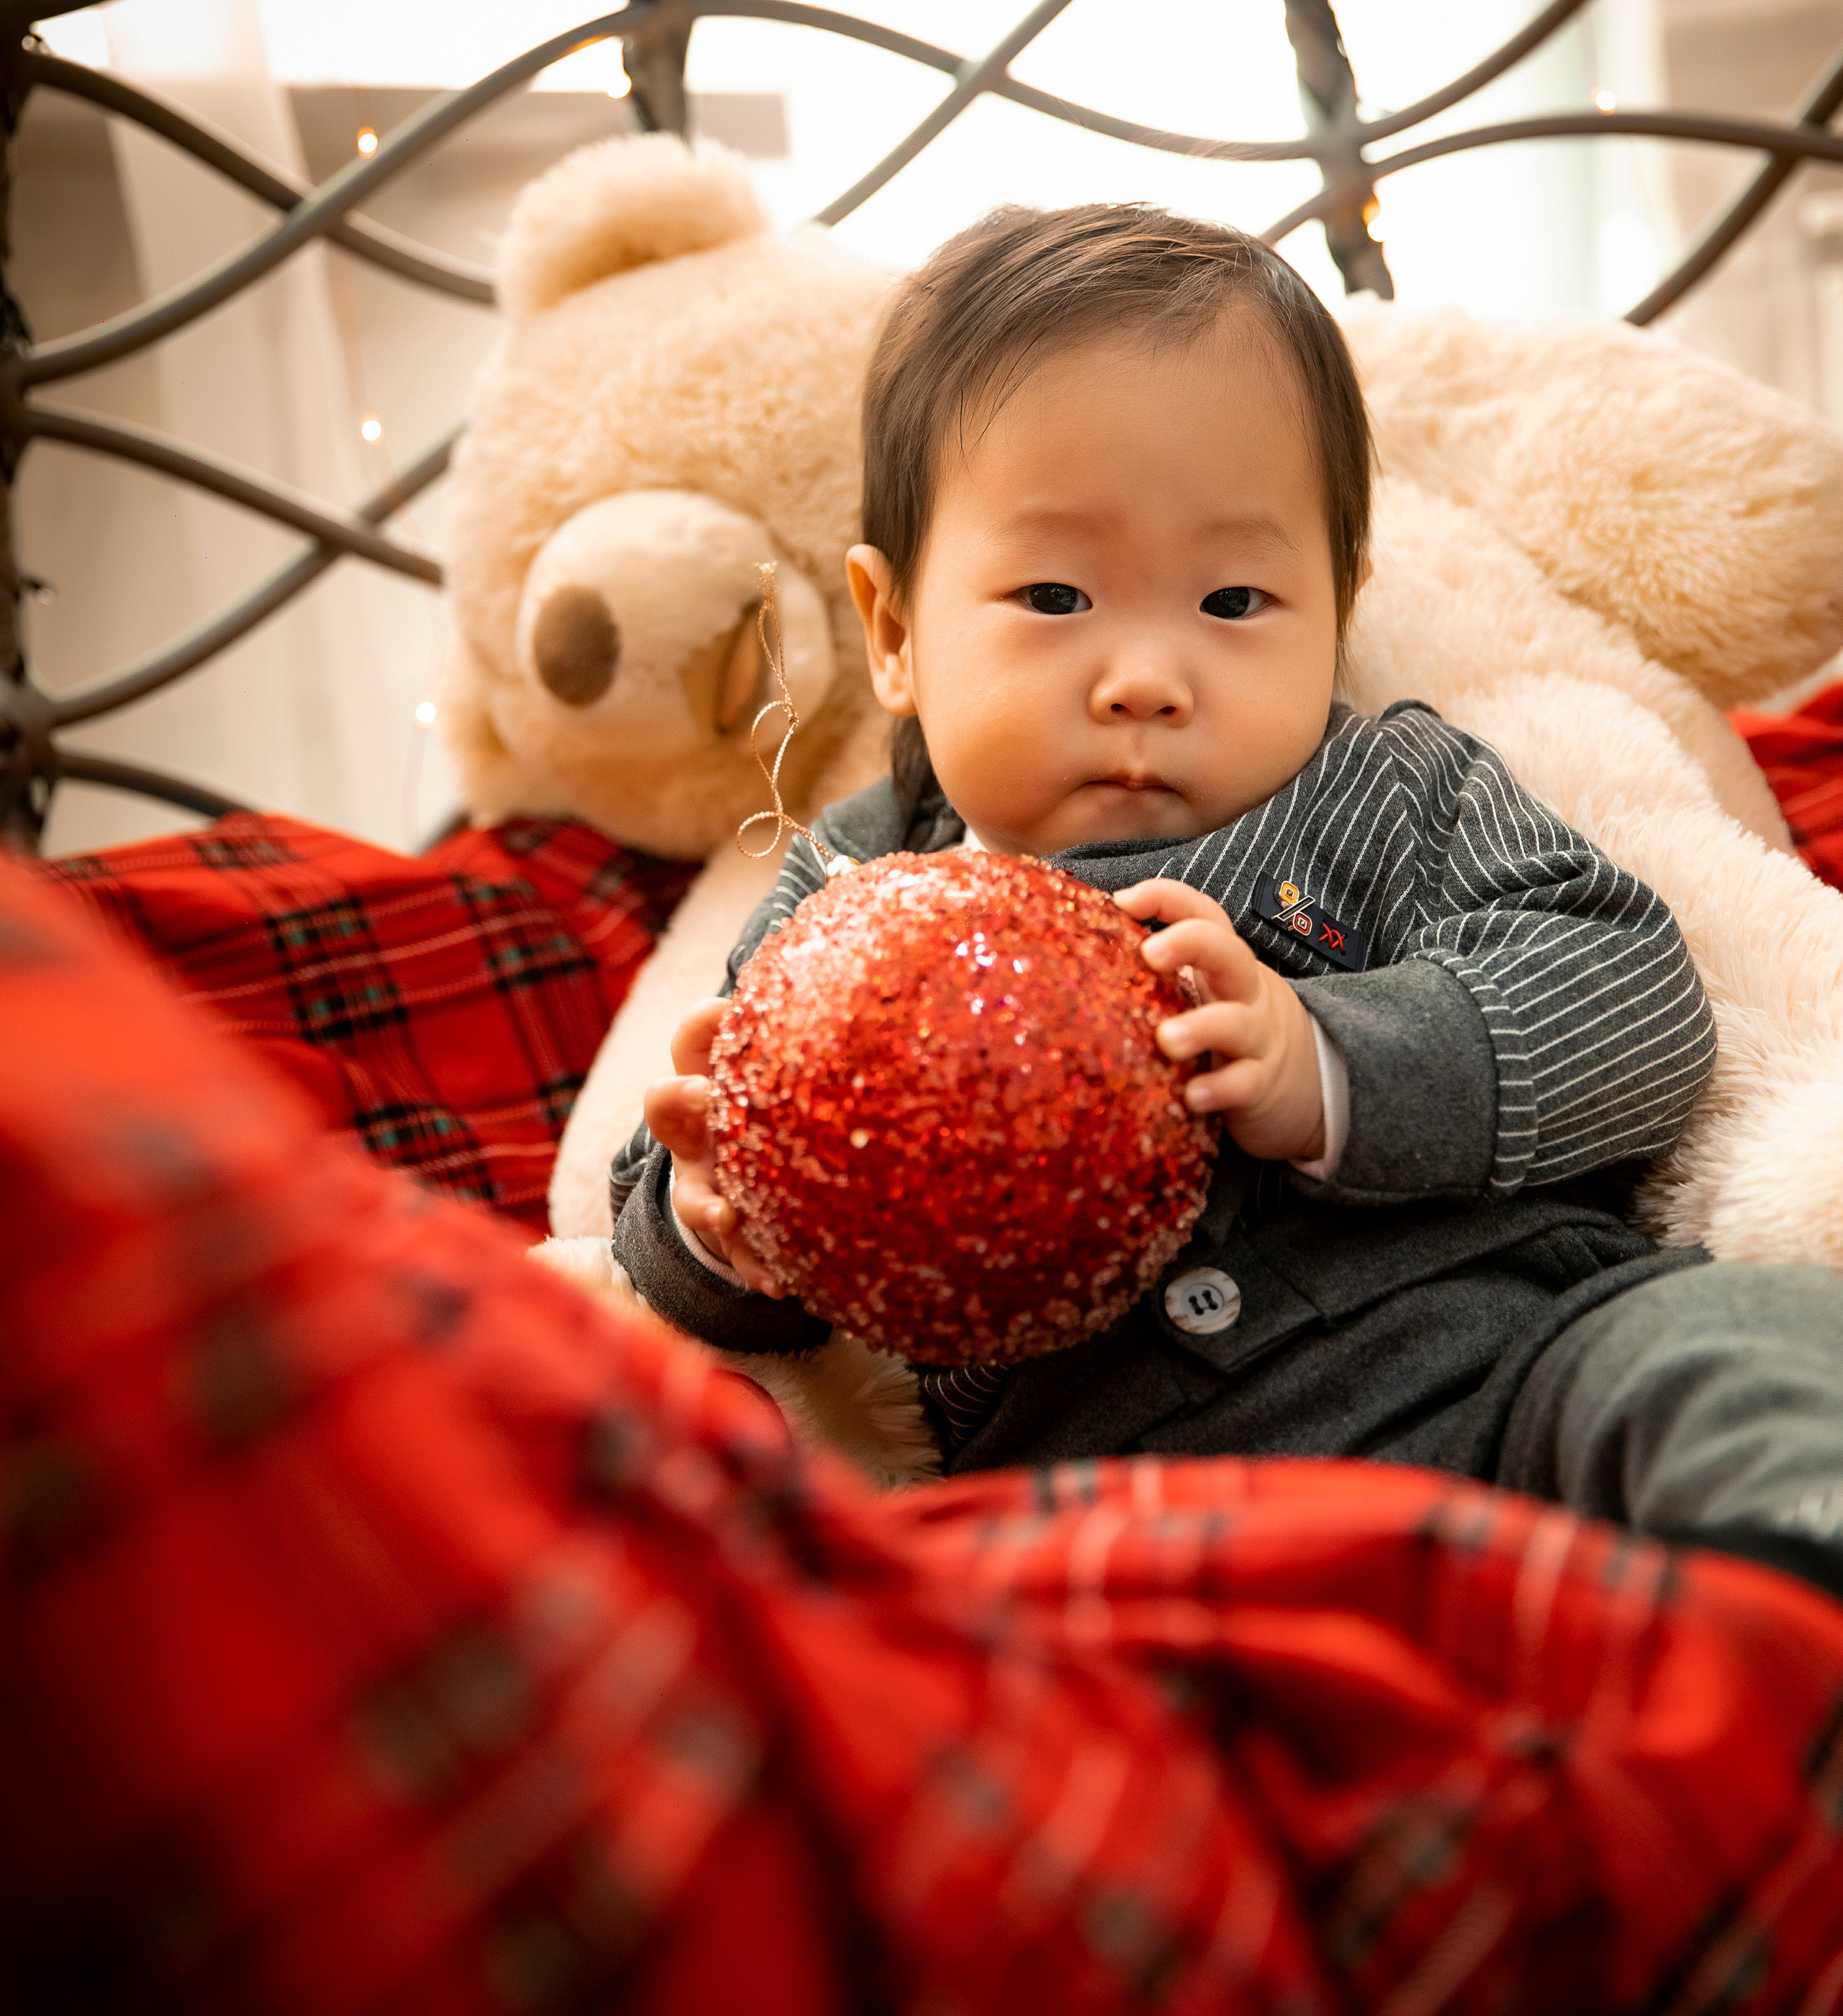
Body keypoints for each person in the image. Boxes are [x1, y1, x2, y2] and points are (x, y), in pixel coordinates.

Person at [611, 202, 1843, 1596]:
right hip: (1112, 1523)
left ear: (1339, 606)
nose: (1146, 677)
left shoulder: (1386, 788)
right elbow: (671, 1189)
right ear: (894, 631)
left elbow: (1630, 1001)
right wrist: (720, 1216)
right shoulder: (853, 894)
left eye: (1235, 602)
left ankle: (1787, 1587)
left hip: (1510, 1380)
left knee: (1731, 1347)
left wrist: (1330, 1064)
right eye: (1055, 594)